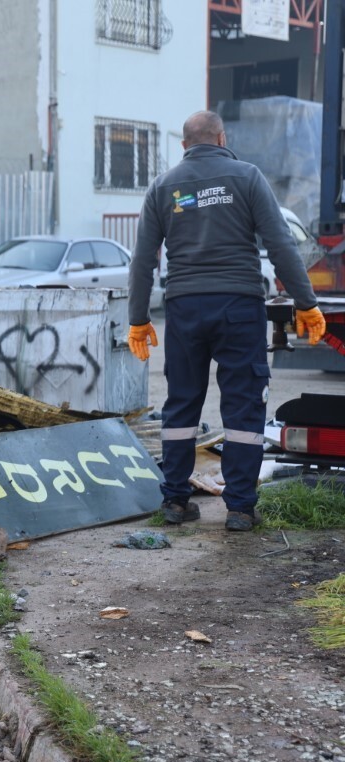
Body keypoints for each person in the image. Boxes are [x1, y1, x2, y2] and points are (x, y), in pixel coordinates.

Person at [127, 110, 326, 532]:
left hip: (184, 309)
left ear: (184, 146)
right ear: (222, 138)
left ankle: (176, 502)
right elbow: (279, 244)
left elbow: (144, 260)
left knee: (181, 403)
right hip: (238, 306)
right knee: (243, 404)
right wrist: (306, 303)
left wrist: (139, 319)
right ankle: (239, 508)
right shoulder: (247, 177)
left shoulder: (163, 186)